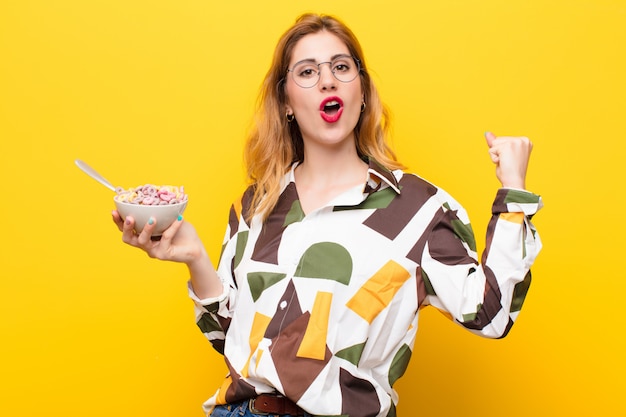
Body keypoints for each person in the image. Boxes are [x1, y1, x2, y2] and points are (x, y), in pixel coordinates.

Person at [112, 13, 542, 417]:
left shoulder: (417, 210)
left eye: (340, 67)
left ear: (362, 91)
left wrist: (514, 193)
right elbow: (230, 339)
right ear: (285, 101)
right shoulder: (257, 204)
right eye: (307, 71)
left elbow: (493, 314)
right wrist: (194, 258)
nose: (326, 81)